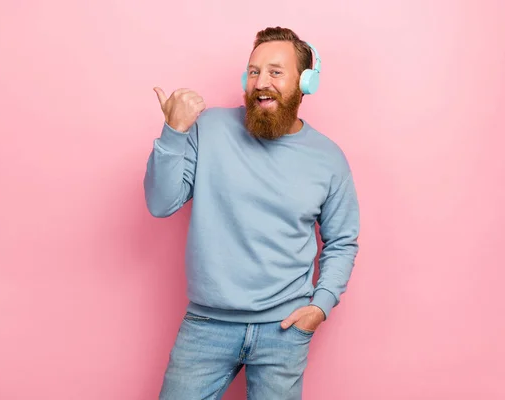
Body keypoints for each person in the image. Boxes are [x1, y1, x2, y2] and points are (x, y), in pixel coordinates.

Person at [143, 26, 360, 400]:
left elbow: (342, 241)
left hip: (284, 330)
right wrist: (173, 131)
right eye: (255, 71)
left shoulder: (329, 158)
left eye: (276, 72)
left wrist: (320, 306)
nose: (262, 82)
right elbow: (160, 203)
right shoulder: (207, 129)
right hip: (207, 324)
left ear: (305, 82)